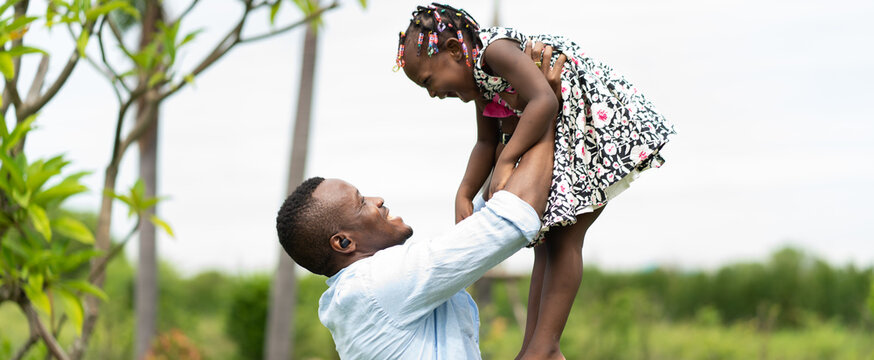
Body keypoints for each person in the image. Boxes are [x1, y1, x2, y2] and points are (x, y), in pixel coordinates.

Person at [394, 3, 677, 359]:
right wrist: (464, 192)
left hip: (588, 128)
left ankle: (546, 346)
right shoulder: (481, 80)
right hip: (559, 133)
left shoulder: (495, 51)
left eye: (428, 81)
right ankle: (534, 347)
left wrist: (509, 158)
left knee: (566, 238)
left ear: (454, 50)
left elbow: (544, 99)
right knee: (544, 242)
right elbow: (485, 142)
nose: (432, 93)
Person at [275, 116, 553, 359]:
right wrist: (549, 114)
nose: (378, 200)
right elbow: (509, 219)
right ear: (344, 243)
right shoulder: (377, 283)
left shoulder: (363, 291)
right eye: (362, 203)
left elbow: (482, 226)